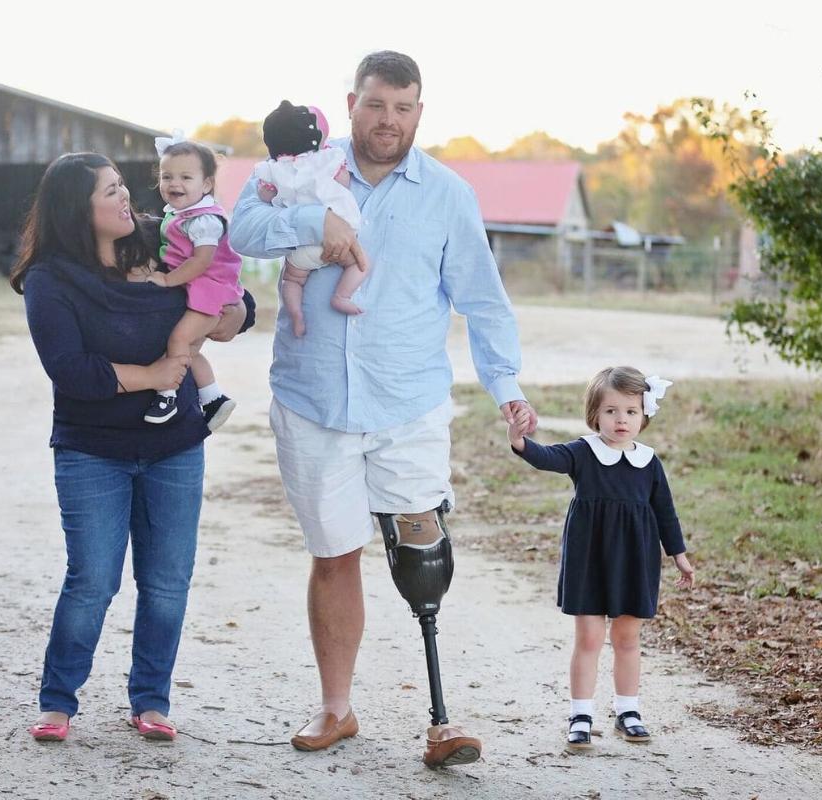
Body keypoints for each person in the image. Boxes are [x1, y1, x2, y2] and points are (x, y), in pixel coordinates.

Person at [230, 50, 537, 768]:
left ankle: (443, 718)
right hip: (313, 400)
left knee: (421, 545)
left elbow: (483, 301)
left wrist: (509, 389)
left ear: (419, 112)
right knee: (335, 555)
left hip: (408, 402)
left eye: (402, 108)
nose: (387, 121)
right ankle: (336, 707)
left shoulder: (448, 193)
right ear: (351, 104)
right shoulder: (296, 163)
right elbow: (242, 228)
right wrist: (312, 218)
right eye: (375, 105)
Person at [9, 152, 253, 744]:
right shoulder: (50, 280)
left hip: (175, 446)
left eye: (123, 187)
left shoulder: (165, 237)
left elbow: (233, 297)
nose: (127, 200)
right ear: (77, 210)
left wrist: (233, 314)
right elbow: (73, 372)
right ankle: (58, 703)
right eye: (110, 193)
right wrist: (157, 372)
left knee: (167, 581)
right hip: (92, 449)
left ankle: (151, 702)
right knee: (93, 580)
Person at [506, 366, 696, 751]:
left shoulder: (649, 462)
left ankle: (628, 710)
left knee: (627, 637)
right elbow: (545, 457)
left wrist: (678, 554)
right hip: (589, 557)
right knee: (590, 637)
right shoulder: (583, 452)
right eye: (611, 411)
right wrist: (520, 440)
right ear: (595, 415)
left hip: (634, 559)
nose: (621, 419)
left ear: (644, 415)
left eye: (630, 411)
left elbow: (665, 511)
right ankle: (581, 714)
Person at [139, 136, 243, 431]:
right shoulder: (179, 214)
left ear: (207, 184)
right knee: (190, 350)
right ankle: (213, 398)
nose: (175, 183)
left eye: (186, 177)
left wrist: (168, 279)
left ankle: (167, 395)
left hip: (210, 288)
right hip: (202, 287)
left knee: (178, 341)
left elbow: (202, 260)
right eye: (167, 176)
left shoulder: (204, 220)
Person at [254, 99, 365, 337]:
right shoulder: (327, 158)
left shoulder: (272, 167)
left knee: (291, 281)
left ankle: (296, 315)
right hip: (339, 240)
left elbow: (265, 194)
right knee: (360, 264)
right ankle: (341, 296)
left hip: (301, 246)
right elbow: (344, 181)